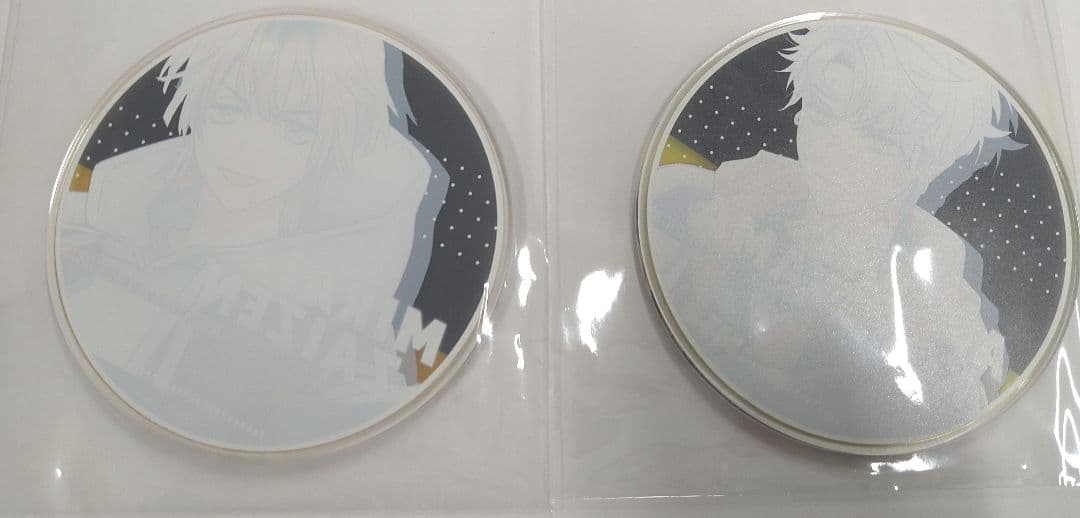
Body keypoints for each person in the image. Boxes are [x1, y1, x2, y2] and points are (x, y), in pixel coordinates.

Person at [56, 19, 447, 449]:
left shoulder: (337, 304)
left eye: (296, 130)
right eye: (227, 110)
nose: (248, 151)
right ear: (199, 102)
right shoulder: (97, 216)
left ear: (332, 142)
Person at [648, 23, 1016, 442]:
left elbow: (954, 412)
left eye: (877, 142)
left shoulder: (935, 294)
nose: (836, 150)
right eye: (823, 115)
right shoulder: (743, 190)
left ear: (926, 164)